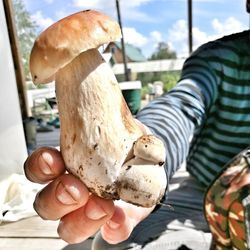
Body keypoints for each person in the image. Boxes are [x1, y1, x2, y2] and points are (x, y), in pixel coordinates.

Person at [24, 1, 250, 249]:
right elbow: (181, 106)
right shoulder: (219, 59)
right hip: (203, 190)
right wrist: (146, 145)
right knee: (108, 244)